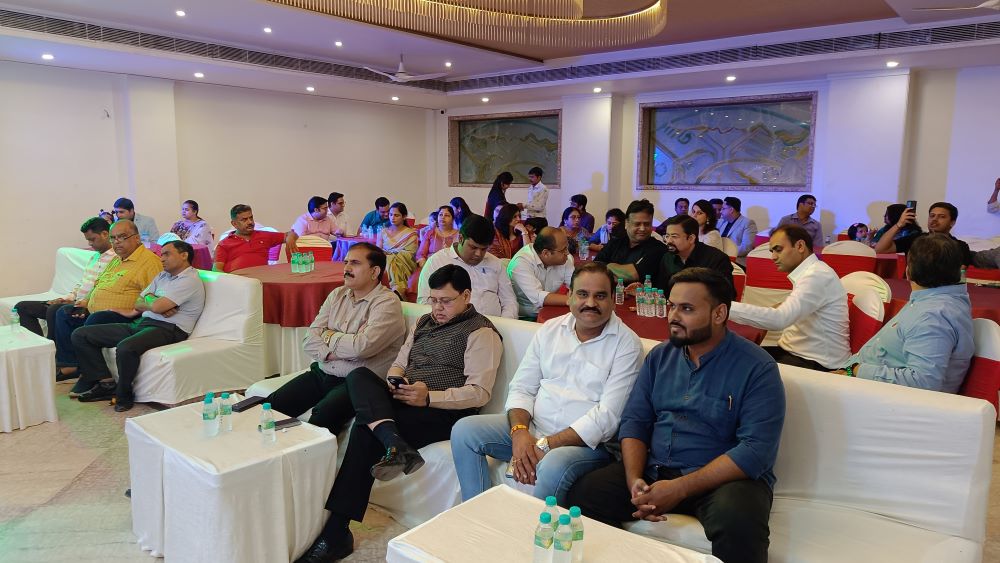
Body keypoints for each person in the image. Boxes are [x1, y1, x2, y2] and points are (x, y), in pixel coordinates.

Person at [567, 268, 785, 563]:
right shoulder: (660, 357)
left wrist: (679, 489)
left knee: (740, 521)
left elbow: (755, 451)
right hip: (656, 469)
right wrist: (634, 480)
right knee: (586, 494)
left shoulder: (757, 368)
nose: (673, 316)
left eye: (687, 309)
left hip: (723, 482)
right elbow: (635, 422)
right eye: (671, 306)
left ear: (719, 313)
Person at [295, 265, 502, 563]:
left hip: (443, 413)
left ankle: (336, 533)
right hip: (405, 399)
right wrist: (396, 380)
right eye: (433, 300)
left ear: (466, 296)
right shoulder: (423, 322)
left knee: (365, 428)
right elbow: (399, 363)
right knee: (359, 376)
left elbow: (479, 393)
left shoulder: (481, 333)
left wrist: (429, 397)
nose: (438, 308)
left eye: (446, 301)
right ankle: (392, 442)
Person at [451, 262, 642, 505]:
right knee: (464, 432)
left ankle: (535, 528)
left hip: (587, 446)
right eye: (582, 294)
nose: (590, 303)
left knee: (552, 464)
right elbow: (522, 387)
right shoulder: (551, 329)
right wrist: (520, 433)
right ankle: (477, 511)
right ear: (569, 296)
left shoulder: (627, 344)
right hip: (535, 429)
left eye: (600, 296)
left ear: (613, 300)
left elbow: (607, 418)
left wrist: (545, 445)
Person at [265, 243, 407, 433]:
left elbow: (361, 348)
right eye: (346, 262)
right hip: (323, 371)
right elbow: (309, 340)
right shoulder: (337, 295)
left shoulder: (387, 302)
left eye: (355, 263)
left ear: (374, 272)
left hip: (358, 383)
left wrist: (328, 335)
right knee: (274, 406)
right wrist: (339, 346)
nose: (347, 268)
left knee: (322, 416)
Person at [70, 241, 206, 411]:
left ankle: (124, 395)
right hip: (144, 322)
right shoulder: (162, 276)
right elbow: (139, 302)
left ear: (184, 255)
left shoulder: (189, 280)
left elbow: (155, 306)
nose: (162, 258)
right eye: (161, 254)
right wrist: (153, 302)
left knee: (126, 347)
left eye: (167, 254)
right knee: (81, 335)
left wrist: (153, 302)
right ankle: (106, 384)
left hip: (170, 329)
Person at [838, 234, 974, 392]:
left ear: (908, 271)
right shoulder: (936, 300)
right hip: (859, 383)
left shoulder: (932, 317)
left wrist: (856, 370)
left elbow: (923, 383)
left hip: (869, 394)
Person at [54, 220, 163, 388]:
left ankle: (92, 376)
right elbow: (99, 283)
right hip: (97, 309)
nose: (117, 242)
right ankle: (72, 364)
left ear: (137, 238)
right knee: (63, 313)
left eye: (122, 237)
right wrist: (85, 302)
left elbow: (155, 297)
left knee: (95, 320)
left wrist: (134, 310)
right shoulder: (117, 259)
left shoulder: (149, 262)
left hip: (125, 315)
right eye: (113, 238)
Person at [728, 225, 850, 371]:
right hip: (797, 353)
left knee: (730, 363)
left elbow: (780, 319)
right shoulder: (812, 272)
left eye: (778, 250)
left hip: (817, 363)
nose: (773, 257)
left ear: (800, 246)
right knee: (730, 355)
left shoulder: (817, 275)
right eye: (772, 251)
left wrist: (723, 307)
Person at [16, 217, 115, 339]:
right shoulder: (94, 257)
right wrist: (66, 298)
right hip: (74, 301)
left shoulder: (116, 259)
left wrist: (78, 302)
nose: (90, 244)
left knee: (54, 310)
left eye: (92, 239)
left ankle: (53, 346)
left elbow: (103, 288)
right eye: (88, 240)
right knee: (22, 307)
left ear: (105, 234)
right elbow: (82, 283)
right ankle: (37, 347)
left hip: (86, 307)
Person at [417, 215, 517, 318]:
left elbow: (509, 301)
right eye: (473, 247)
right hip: (451, 325)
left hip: (494, 325)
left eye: (483, 249)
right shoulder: (437, 261)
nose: (478, 254)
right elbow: (424, 302)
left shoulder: (495, 264)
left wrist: (504, 324)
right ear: (461, 238)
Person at [594, 199, 669, 287]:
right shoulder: (615, 242)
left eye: (647, 224)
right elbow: (595, 267)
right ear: (626, 224)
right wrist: (613, 270)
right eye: (637, 224)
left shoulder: (658, 249)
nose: (642, 229)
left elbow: (632, 275)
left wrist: (608, 266)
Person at [874, 202, 974, 265]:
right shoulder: (915, 239)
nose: (934, 219)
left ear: (952, 222)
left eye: (941, 216)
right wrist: (899, 224)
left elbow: (960, 275)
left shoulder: (960, 246)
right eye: (932, 216)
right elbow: (880, 249)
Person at [507, 227, 575, 320]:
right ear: (546, 253)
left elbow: (575, 285)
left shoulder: (566, 259)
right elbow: (538, 296)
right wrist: (574, 299)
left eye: (567, 247)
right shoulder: (521, 262)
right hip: (525, 316)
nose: (567, 253)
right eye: (563, 250)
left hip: (551, 309)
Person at [213, 204, 296, 273]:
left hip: (263, 280)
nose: (250, 222)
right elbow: (216, 270)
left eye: (251, 218)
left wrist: (290, 237)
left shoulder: (264, 235)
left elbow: (290, 234)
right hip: (238, 282)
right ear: (234, 224)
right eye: (244, 220)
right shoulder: (224, 244)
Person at [658, 215, 734, 288]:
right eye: (667, 236)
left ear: (691, 239)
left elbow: (727, 293)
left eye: (674, 236)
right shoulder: (667, 258)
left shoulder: (716, 259)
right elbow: (662, 290)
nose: (669, 241)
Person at [377, 202, 419, 298]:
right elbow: (378, 250)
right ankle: (393, 290)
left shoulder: (411, 234)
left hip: (404, 263)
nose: (392, 218)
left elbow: (410, 254)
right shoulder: (383, 231)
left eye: (396, 215)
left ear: (404, 217)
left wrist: (390, 255)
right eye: (391, 215)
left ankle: (396, 290)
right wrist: (384, 254)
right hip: (384, 259)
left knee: (390, 261)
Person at [716, 196, 759, 264]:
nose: (720, 211)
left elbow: (746, 248)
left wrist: (723, 252)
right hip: (720, 259)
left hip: (737, 261)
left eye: (723, 209)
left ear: (731, 210)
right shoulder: (721, 222)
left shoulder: (748, 223)